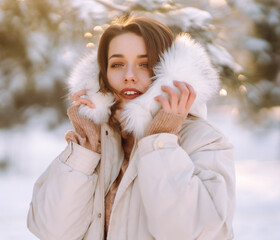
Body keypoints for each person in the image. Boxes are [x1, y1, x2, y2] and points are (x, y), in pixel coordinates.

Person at [27, 16, 236, 240]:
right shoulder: (98, 139)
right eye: (117, 64)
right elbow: (52, 230)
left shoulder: (204, 140)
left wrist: (161, 141)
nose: (129, 76)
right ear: (102, 73)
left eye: (144, 64)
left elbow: (194, 233)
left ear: (168, 69)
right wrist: (86, 147)